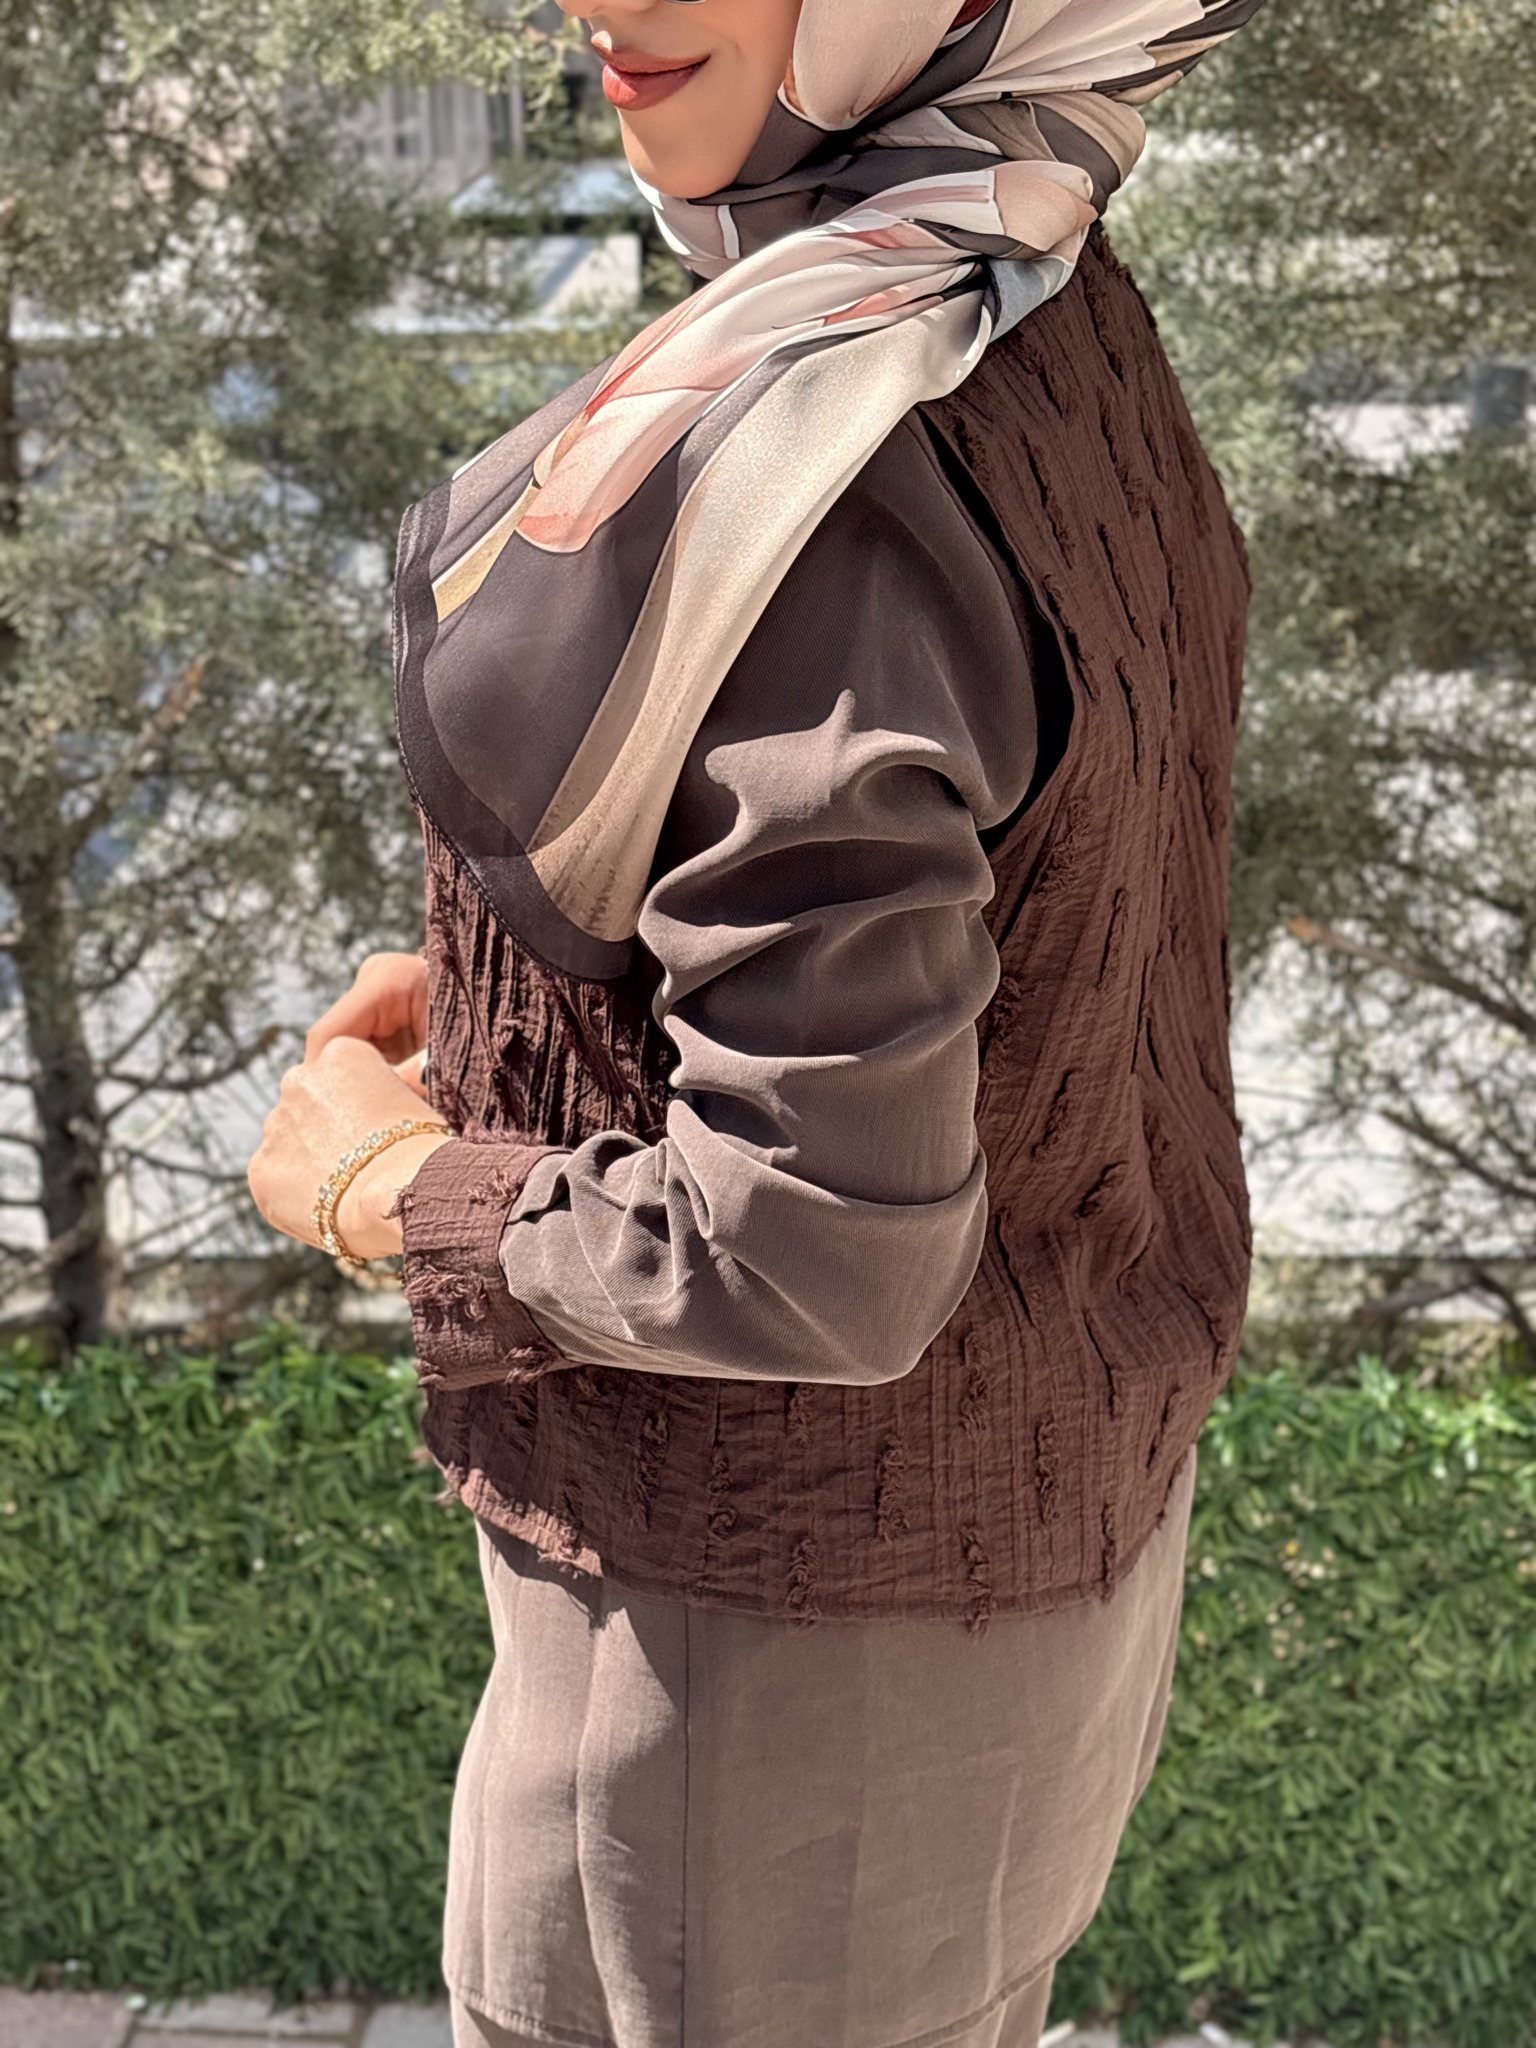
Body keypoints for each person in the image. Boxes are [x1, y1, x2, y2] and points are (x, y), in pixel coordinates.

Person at [248, 1, 1267, 2042]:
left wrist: (392, 1188)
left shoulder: (833, 460)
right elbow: (1035, 902)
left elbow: (808, 1250)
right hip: (1026, 1584)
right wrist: (555, 993)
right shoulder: (1035, 291)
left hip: (760, 1707)